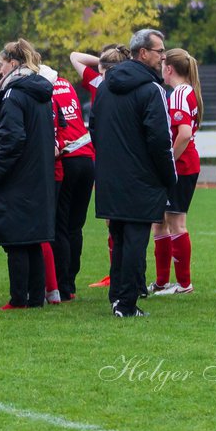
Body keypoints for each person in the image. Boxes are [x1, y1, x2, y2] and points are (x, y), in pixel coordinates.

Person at [91, 29, 175, 318]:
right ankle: (125, 304)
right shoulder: (152, 90)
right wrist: (168, 176)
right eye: (159, 51)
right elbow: (160, 139)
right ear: (143, 53)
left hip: (110, 177)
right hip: (141, 179)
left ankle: (117, 297)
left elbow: (95, 129)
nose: (163, 56)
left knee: (120, 238)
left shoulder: (104, 87)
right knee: (135, 242)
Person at [0, 40, 56, 310]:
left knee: (16, 239)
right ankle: (35, 297)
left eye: (3, 62)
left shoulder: (13, 94)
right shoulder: (39, 92)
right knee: (31, 239)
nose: (0, 67)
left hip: (17, 177)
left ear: (14, 64)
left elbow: (12, 139)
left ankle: (19, 299)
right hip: (37, 174)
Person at [70, 44, 129, 289]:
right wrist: (110, 62)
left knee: (115, 218)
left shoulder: (98, 83)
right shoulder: (130, 83)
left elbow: (74, 56)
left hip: (106, 156)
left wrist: (103, 63)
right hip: (124, 155)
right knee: (119, 219)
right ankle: (121, 272)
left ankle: (120, 273)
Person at [150, 48, 203, 296]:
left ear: (169, 68)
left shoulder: (180, 93)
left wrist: (168, 160)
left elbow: (184, 133)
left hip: (181, 166)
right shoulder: (181, 92)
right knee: (159, 222)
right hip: (180, 165)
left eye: (162, 63)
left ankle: (184, 284)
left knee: (176, 223)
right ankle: (162, 282)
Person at [50, 64, 95, 302]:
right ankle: (71, 283)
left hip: (67, 158)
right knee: (75, 226)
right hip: (87, 157)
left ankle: (63, 285)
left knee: (61, 225)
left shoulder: (43, 90)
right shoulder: (66, 84)